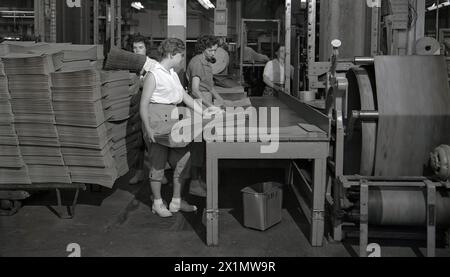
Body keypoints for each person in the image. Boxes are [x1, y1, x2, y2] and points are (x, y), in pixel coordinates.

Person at [140, 38, 213, 217]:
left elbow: (185, 97)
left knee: (183, 159)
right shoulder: (153, 74)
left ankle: (176, 201)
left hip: (172, 118)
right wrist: (148, 129)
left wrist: (205, 112)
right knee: (157, 164)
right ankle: (157, 203)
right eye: (180, 55)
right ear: (172, 54)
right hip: (156, 120)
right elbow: (143, 105)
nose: (182, 59)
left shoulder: (172, 73)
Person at [186, 35, 230, 197]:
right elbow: (195, 90)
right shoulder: (197, 63)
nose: (213, 53)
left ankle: (200, 181)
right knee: (197, 146)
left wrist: (221, 101)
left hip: (206, 104)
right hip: (198, 107)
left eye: (215, 50)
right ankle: (194, 184)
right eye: (210, 50)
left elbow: (210, 87)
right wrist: (212, 107)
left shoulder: (206, 62)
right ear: (202, 49)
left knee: (205, 145)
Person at [129, 35, 170, 186]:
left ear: (146, 49)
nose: (137, 50)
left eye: (140, 47)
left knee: (152, 144)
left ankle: (158, 173)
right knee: (137, 142)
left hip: (149, 108)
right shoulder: (129, 64)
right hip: (133, 106)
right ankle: (139, 172)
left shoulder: (152, 65)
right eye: (134, 48)